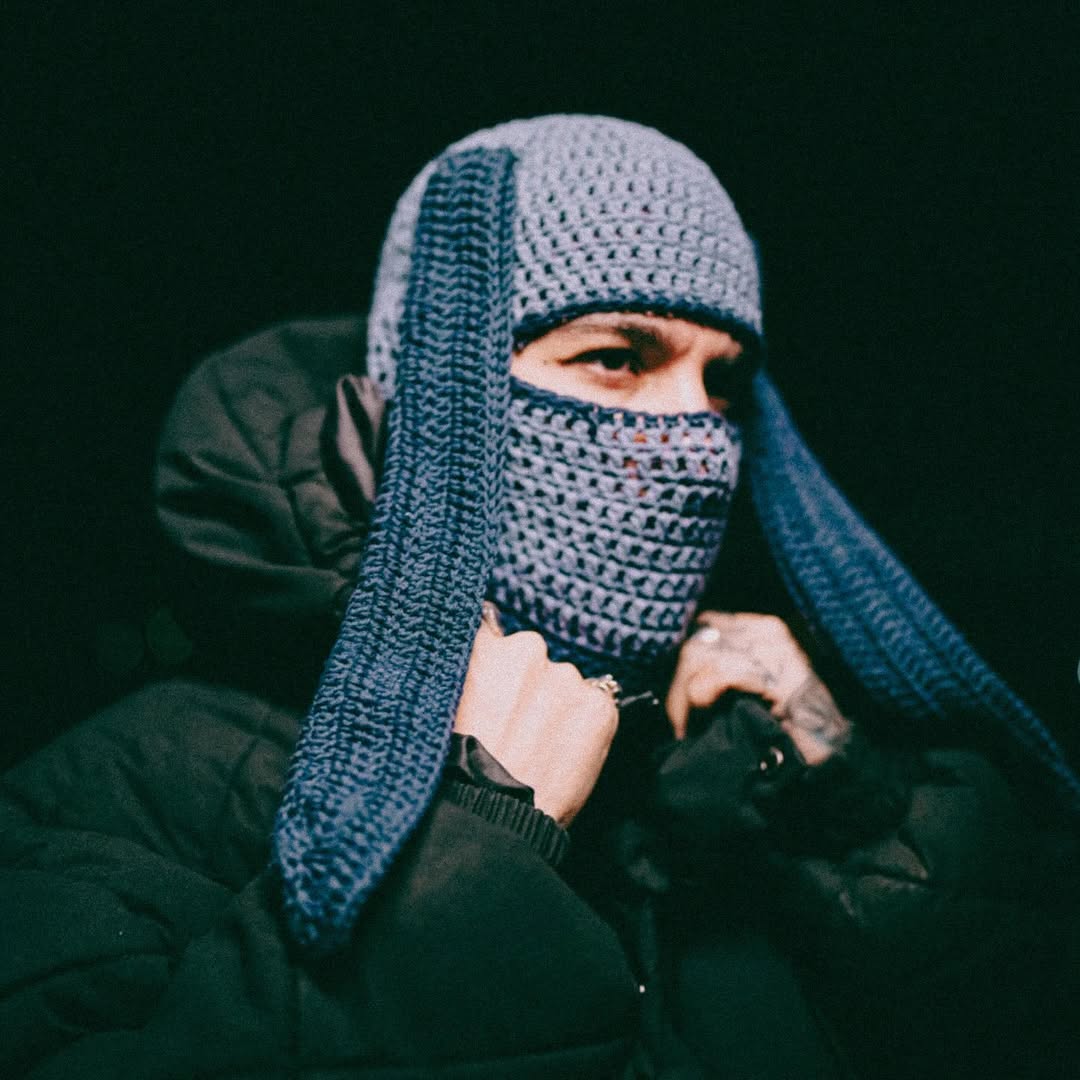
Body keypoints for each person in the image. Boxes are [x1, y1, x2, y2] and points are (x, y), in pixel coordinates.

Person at [2, 115, 1078, 1080]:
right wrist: (481, 842)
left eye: (723, 385)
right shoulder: (124, 792)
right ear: (441, 391)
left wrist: (849, 796)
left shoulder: (716, 783)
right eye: (615, 356)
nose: (695, 446)